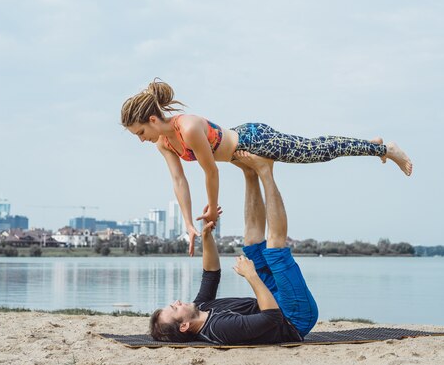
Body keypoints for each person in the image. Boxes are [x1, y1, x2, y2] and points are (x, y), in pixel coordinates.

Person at [121, 79, 413, 255]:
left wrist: (211, 207)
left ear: (153, 120)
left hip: (255, 139)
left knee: (316, 150)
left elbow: (211, 171)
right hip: (240, 153)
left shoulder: (189, 127)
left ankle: (384, 149)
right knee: (316, 150)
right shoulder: (164, 143)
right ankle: (373, 145)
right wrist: (187, 223)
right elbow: (179, 180)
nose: (141, 140)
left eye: (140, 133)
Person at [149, 152, 318, 344]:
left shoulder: (201, 306)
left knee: (252, 246)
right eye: (174, 308)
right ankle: (265, 170)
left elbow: (211, 273)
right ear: (184, 326)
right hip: (292, 319)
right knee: (275, 252)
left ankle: (250, 173)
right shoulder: (219, 328)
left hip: (271, 301)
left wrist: (206, 236)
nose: (177, 302)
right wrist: (251, 275)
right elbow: (273, 318)